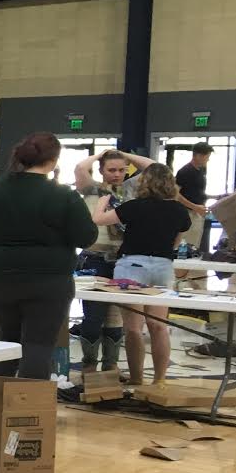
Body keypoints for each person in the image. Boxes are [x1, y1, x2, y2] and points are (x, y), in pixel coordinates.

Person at [0, 133, 98, 380]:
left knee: (7, 342)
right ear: (54, 160)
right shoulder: (63, 195)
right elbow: (86, 237)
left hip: (0, 279)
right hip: (48, 280)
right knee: (37, 345)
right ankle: (28, 404)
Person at [91, 163, 191, 386]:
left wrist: (102, 201)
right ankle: (160, 380)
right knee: (158, 325)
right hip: (163, 266)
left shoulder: (134, 206)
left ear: (144, 182)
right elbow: (176, 242)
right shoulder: (178, 210)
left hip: (131, 266)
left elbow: (98, 220)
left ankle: (137, 378)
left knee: (133, 328)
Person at [73, 148, 153, 373]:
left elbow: (153, 167)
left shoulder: (132, 188)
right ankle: (89, 365)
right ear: (101, 170)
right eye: (111, 170)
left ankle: (111, 366)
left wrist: (125, 155)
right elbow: (80, 167)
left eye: (121, 170)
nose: (117, 174)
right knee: (93, 316)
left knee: (115, 319)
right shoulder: (91, 188)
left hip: (122, 259)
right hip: (95, 258)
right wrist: (102, 154)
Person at [175, 143, 212, 251]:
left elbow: (196, 192)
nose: (208, 160)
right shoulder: (185, 171)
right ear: (198, 156)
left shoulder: (200, 171)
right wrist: (194, 207)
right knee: (186, 245)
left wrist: (217, 197)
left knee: (195, 245)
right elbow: (175, 194)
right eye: (207, 157)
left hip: (198, 212)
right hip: (188, 213)